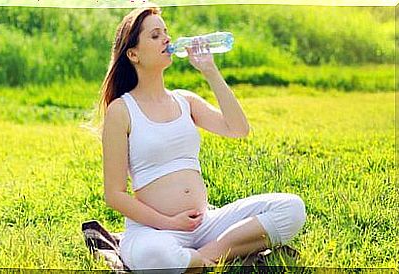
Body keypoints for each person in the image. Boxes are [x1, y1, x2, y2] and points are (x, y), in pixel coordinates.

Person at [99, 4, 306, 273]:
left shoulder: (185, 100)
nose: (167, 39)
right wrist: (170, 223)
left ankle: (206, 256)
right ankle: (205, 258)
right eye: (155, 35)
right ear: (133, 54)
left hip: (204, 224)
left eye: (166, 32)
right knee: (156, 257)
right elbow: (114, 195)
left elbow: (238, 128)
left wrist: (210, 71)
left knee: (292, 209)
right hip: (156, 231)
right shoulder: (121, 110)